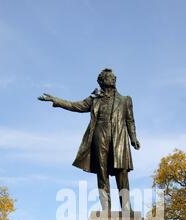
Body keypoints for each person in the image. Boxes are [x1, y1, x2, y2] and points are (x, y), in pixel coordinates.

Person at [38, 68, 141, 212]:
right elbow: (76, 106)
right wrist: (56, 100)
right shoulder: (94, 99)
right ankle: (106, 210)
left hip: (119, 137)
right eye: (109, 77)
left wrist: (133, 137)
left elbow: (130, 120)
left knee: (121, 172)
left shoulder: (125, 100)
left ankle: (126, 209)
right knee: (102, 172)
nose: (113, 79)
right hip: (100, 134)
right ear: (102, 81)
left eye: (114, 77)